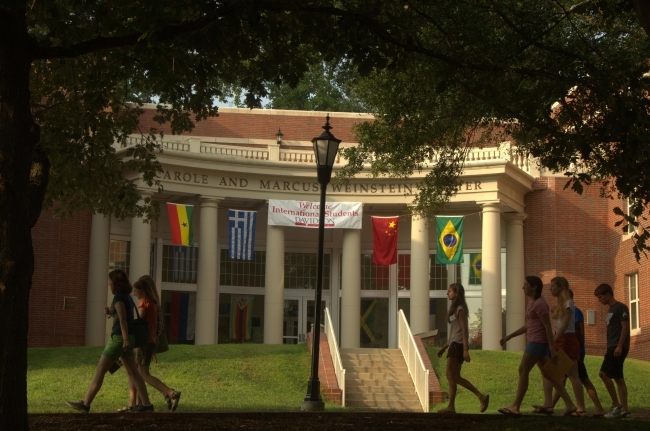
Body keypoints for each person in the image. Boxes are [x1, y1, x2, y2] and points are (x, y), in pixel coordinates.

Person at [66, 269, 154, 412]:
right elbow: (122, 315)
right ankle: (146, 404)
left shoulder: (119, 297)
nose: (109, 283)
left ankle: (86, 403)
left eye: (110, 280)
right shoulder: (127, 297)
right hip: (128, 337)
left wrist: (124, 339)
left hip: (119, 338)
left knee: (100, 370)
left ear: (116, 282)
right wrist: (111, 312)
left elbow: (123, 320)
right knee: (133, 371)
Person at [497, 276, 577, 416]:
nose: (523, 287)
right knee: (550, 374)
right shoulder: (531, 304)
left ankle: (515, 406)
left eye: (525, 285)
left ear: (534, 287)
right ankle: (569, 405)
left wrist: (552, 348)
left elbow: (547, 326)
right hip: (536, 342)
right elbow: (529, 325)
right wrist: (509, 336)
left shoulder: (540, 304)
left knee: (523, 370)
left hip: (538, 343)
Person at [120, 275, 181, 412]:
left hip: (143, 343)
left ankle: (171, 393)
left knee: (144, 375)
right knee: (138, 373)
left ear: (142, 290)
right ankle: (137, 404)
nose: (134, 293)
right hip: (151, 341)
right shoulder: (153, 304)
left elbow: (139, 323)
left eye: (136, 290)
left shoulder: (143, 304)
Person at [549, 289, 606, 417]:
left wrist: (579, 349)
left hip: (575, 348)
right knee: (562, 377)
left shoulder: (574, 310)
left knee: (581, 378)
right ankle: (551, 406)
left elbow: (579, 329)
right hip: (570, 347)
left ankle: (596, 407)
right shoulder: (563, 309)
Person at [436, 283, 489, 414]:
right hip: (454, 344)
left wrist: (465, 350)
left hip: (458, 345)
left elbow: (464, 330)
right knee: (453, 376)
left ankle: (452, 406)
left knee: (452, 375)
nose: (447, 293)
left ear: (456, 293)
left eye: (449, 291)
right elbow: (454, 331)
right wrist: (444, 347)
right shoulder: (455, 309)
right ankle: (480, 397)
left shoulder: (460, 309)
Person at [536, 277, 585, 415]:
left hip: (567, 339)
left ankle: (579, 407)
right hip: (560, 338)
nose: (550, 288)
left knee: (572, 374)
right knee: (550, 373)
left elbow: (564, 326)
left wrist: (553, 340)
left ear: (561, 287)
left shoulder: (569, 303)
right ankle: (550, 404)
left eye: (553, 286)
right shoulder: (559, 305)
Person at [594, 283, 631, 419]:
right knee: (619, 379)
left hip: (617, 347)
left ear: (608, 294)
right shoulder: (610, 310)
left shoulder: (620, 307)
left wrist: (619, 346)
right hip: (612, 346)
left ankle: (616, 406)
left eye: (601, 297)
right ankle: (626, 411)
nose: (600, 300)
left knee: (603, 374)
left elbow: (625, 327)